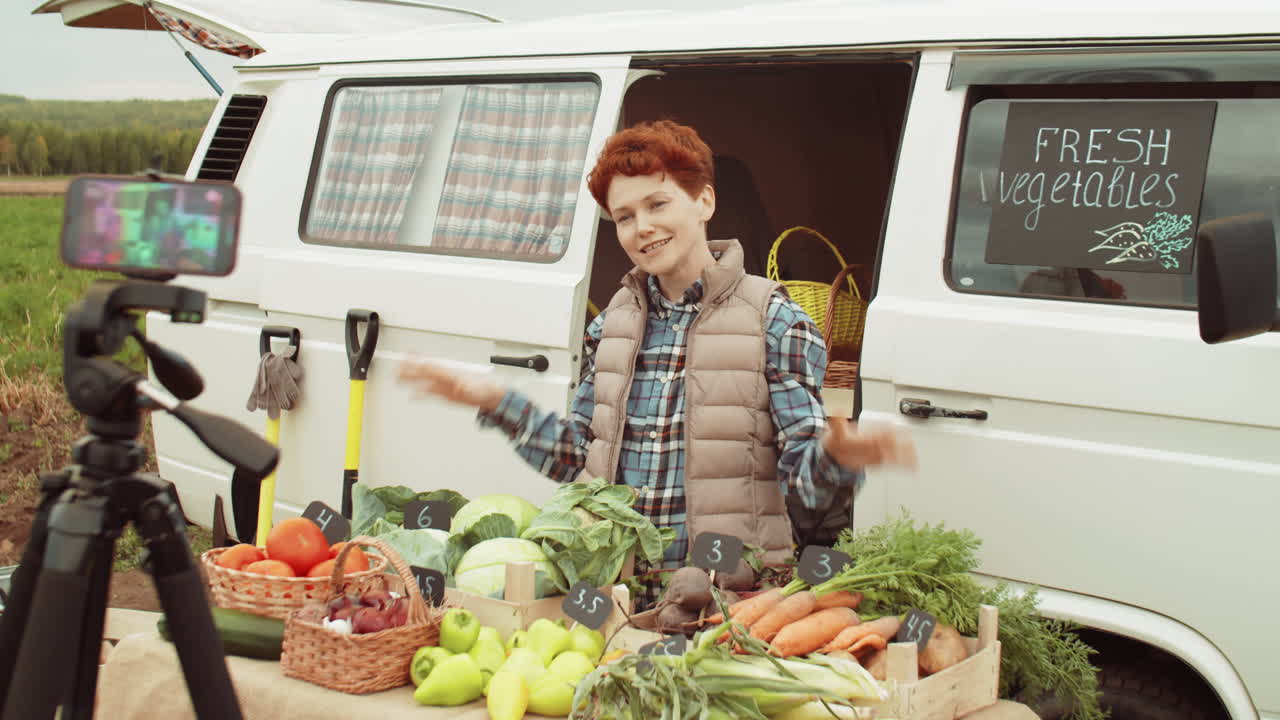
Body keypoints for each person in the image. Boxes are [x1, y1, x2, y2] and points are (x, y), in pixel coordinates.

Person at [399, 120, 916, 607]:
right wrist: (496, 403)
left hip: (725, 602)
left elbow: (803, 490)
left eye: (657, 204)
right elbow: (577, 458)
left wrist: (838, 456)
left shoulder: (775, 320)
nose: (642, 227)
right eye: (625, 217)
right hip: (618, 597)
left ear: (704, 201)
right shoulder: (612, 325)